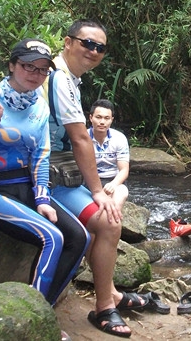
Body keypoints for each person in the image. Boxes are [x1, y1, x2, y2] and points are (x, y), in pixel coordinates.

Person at [0, 38, 90, 309]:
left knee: (80, 238)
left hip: (24, 185)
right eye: (28, 66)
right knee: (52, 237)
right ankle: (33, 316)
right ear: (12, 65)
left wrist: (42, 198)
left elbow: (41, 157)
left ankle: (44, 310)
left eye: (42, 69)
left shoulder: (39, 106)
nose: (36, 74)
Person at [42, 20, 144, 338]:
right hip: (45, 176)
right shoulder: (58, 78)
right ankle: (104, 305)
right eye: (87, 43)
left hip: (61, 173)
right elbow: (79, 139)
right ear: (68, 42)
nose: (94, 51)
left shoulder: (70, 78)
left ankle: (109, 295)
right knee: (108, 222)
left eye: (100, 47)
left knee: (108, 221)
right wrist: (98, 191)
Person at [87, 99, 130, 207]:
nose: (102, 122)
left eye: (107, 118)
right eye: (98, 117)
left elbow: (124, 170)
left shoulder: (119, 138)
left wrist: (113, 184)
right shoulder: (83, 138)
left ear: (112, 120)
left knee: (121, 192)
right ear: (91, 118)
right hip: (89, 182)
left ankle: (112, 215)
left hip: (114, 180)